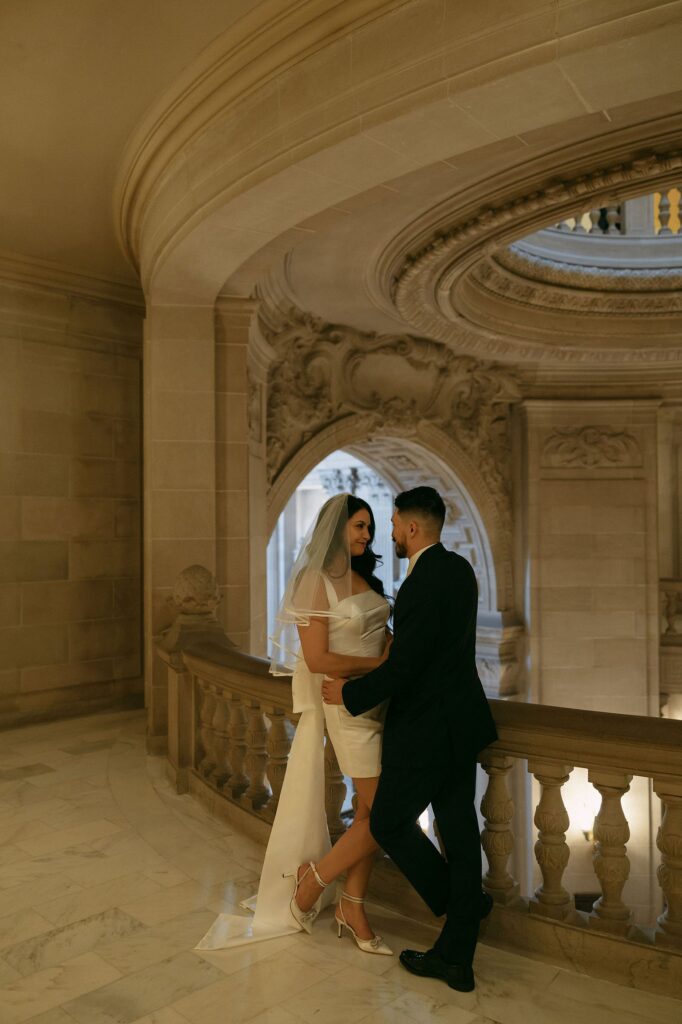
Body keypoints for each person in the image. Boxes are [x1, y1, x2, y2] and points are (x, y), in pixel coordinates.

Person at [196, 492, 393, 954]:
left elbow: (384, 640)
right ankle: (312, 880)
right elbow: (319, 657)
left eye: (369, 527)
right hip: (346, 707)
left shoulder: (367, 578)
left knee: (369, 813)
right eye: (358, 526)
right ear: (335, 529)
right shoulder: (313, 580)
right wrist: (380, 666)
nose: (367, 534)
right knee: (384, 813)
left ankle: (352, 905)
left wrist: (388, 667)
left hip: (382, 703)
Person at [322, 486, 498, 992]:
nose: (391, 533)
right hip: (462, 724)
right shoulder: (461, 570)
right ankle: (456, 961)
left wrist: (351, 693)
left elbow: (409, 665)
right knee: (461, 834)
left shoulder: (423, 582)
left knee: (391, 821)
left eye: (394, 524)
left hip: (426, 729)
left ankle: (462, 902)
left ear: (412, 527)